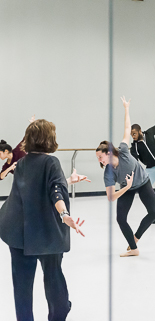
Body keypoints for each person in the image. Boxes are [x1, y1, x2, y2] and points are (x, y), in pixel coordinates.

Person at [0, 119, 88, 321]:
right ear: (49, 139)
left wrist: (67, 182)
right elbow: (55, 191)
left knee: (22, 290)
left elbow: (46, 188)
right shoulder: (51, 162)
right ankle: (59, 313)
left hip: (18, 233)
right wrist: (65, 215)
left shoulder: (21, 163)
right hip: (44, 233)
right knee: (54, 278)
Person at [96, 96, 155, 257]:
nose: (99, 160)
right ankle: (134, 249)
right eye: (98, 158)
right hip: (127, 188)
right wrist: (128, 187)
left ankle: (136, 237)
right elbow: (110, 197)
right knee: (120, 218)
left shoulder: (123, 150)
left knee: (154, 212)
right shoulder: (108, 172)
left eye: (100, 157)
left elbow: (126, 128)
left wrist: (126, 108)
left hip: (143, 182)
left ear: (109, 153)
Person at [0, 115, 35, 181]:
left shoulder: (18, 150)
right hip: (22, 183)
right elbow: (1, 177)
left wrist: (32, 124)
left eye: (0, 153)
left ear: (6, 151)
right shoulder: (7, 165)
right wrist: (10, 168)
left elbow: (26, 137)